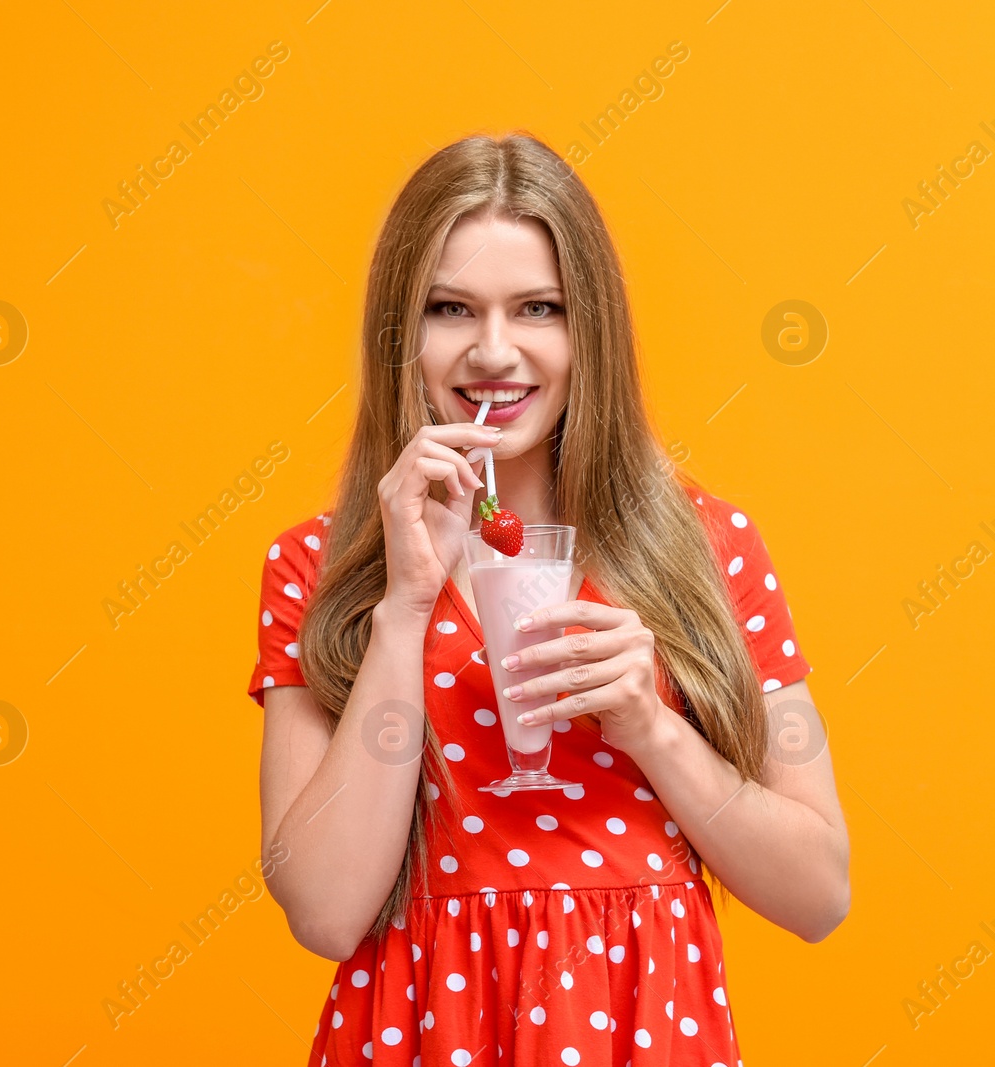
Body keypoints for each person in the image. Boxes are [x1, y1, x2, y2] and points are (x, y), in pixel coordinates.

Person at [249, 133, 849, 1066]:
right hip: (422, 1030)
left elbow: (819, 893)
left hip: (644, 1026)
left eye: (540, 308)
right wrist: (405, 608)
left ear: (591, 330)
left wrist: (650, 726)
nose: (495, 351)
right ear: (401, 336)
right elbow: (325, 912)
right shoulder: (317, 566)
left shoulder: (710, 550)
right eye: (451, 308)